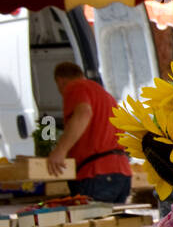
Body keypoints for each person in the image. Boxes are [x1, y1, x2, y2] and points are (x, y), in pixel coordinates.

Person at [46, 63, 132, 203]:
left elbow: (84, 113)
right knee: (112, 224)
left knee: (91, 224)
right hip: (121, 173)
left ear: (60, 81)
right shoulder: (103, 94)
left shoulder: (75, 87)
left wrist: (60, 151)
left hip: (96, 173)